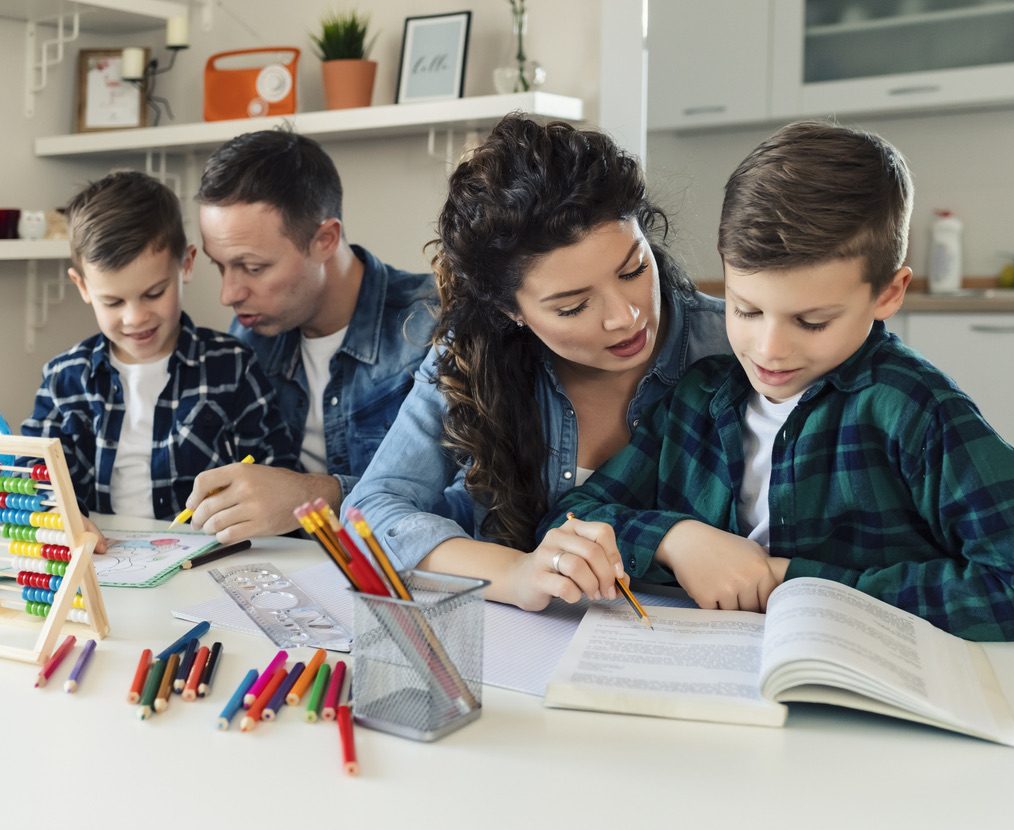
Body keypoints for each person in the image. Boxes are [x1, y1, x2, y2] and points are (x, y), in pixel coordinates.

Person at [546, 120, 1014, 641]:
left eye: (812, 322)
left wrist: (796, 582)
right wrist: (675, 539)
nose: (769, 350)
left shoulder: (911, 408)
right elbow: (573, 522)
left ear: (889, 293)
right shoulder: (700, 396)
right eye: (746, 310)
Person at [344, 115, 730, 611]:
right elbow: (369, 513)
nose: (626, 317)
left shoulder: (735, 344)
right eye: (573, 306)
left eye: (634, 270)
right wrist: (516, 573)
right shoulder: (472, 354)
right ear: (511, 312)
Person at [21, 171, 298, 550]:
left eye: (153, 293)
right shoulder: (64, 378)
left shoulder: (232, 365)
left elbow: (279, 476)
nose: (135, 318)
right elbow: (35, 479)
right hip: (104, 566)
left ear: (185, 264)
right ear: (82, 286)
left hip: (211, 560)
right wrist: (57, 515)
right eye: (113, 302)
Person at [191, 129, 440, 543]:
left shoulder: (434, 328)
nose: (228, 294)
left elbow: (477, 504)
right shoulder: (250, 336)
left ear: (325, 239)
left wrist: (315, 495)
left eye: (252, 268)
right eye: (220, 266)